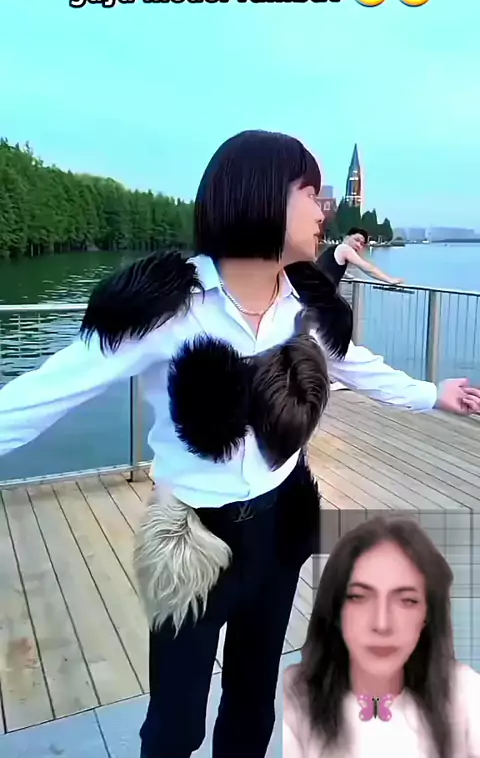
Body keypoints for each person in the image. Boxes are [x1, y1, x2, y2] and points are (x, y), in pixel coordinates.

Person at [0, 130, 479, 758]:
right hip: (193, 543)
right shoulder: (169, 307)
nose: (324, 208)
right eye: (310, 192)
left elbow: (353, 363)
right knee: (175, 724)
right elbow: (44, 392)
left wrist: (431, 392)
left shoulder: (302, 303)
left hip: (279, 529)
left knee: (253, 702)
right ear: (261, 197)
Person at [283, 516, 480, 758]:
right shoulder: (295, 699)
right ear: (335, 609)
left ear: (427, 615)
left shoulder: (465, 692)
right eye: (359, 597)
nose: (382, 624)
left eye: (407, 601)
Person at [318, 227, 404, 289]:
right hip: (321, 294)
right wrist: (390, 280)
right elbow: (367, 268)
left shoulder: (332, 249)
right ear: (347, 237)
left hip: (315, 291)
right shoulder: (344, 248)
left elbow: (330, 267)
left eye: (362, 244)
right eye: (356, 240)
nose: (358, 245)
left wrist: (347, 275)